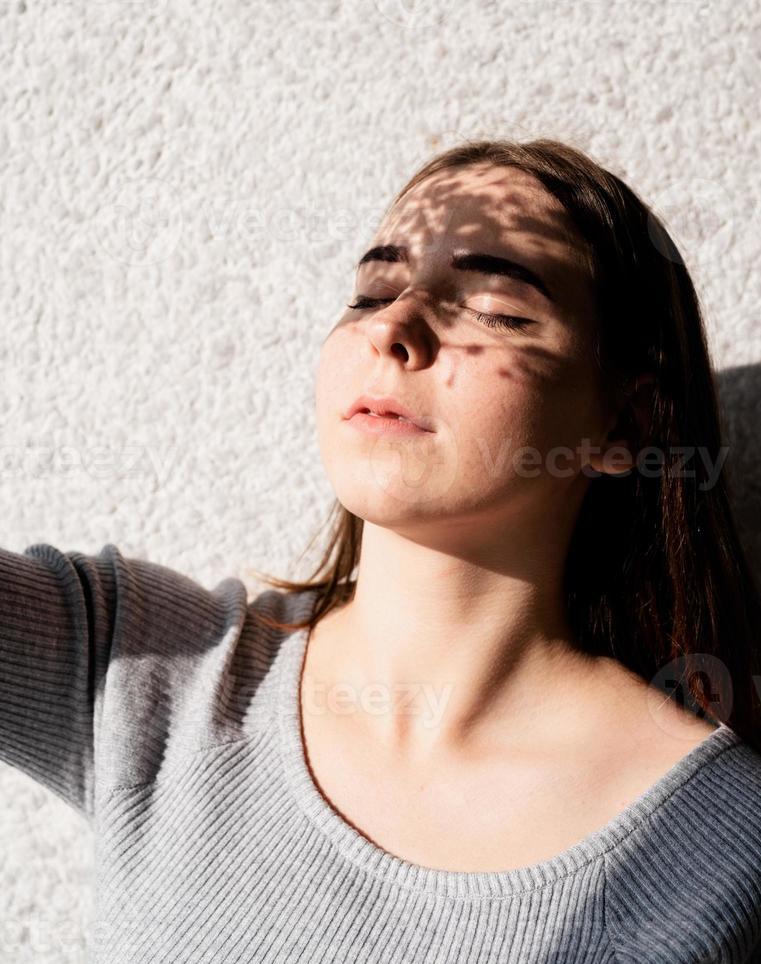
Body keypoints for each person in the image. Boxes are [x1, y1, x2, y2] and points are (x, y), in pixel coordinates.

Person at [2, 137, 760, 963]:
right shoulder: (151, 667)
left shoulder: (714, 849)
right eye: (369, 292)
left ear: (626, 426)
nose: (394, 325)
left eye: (496, 309)